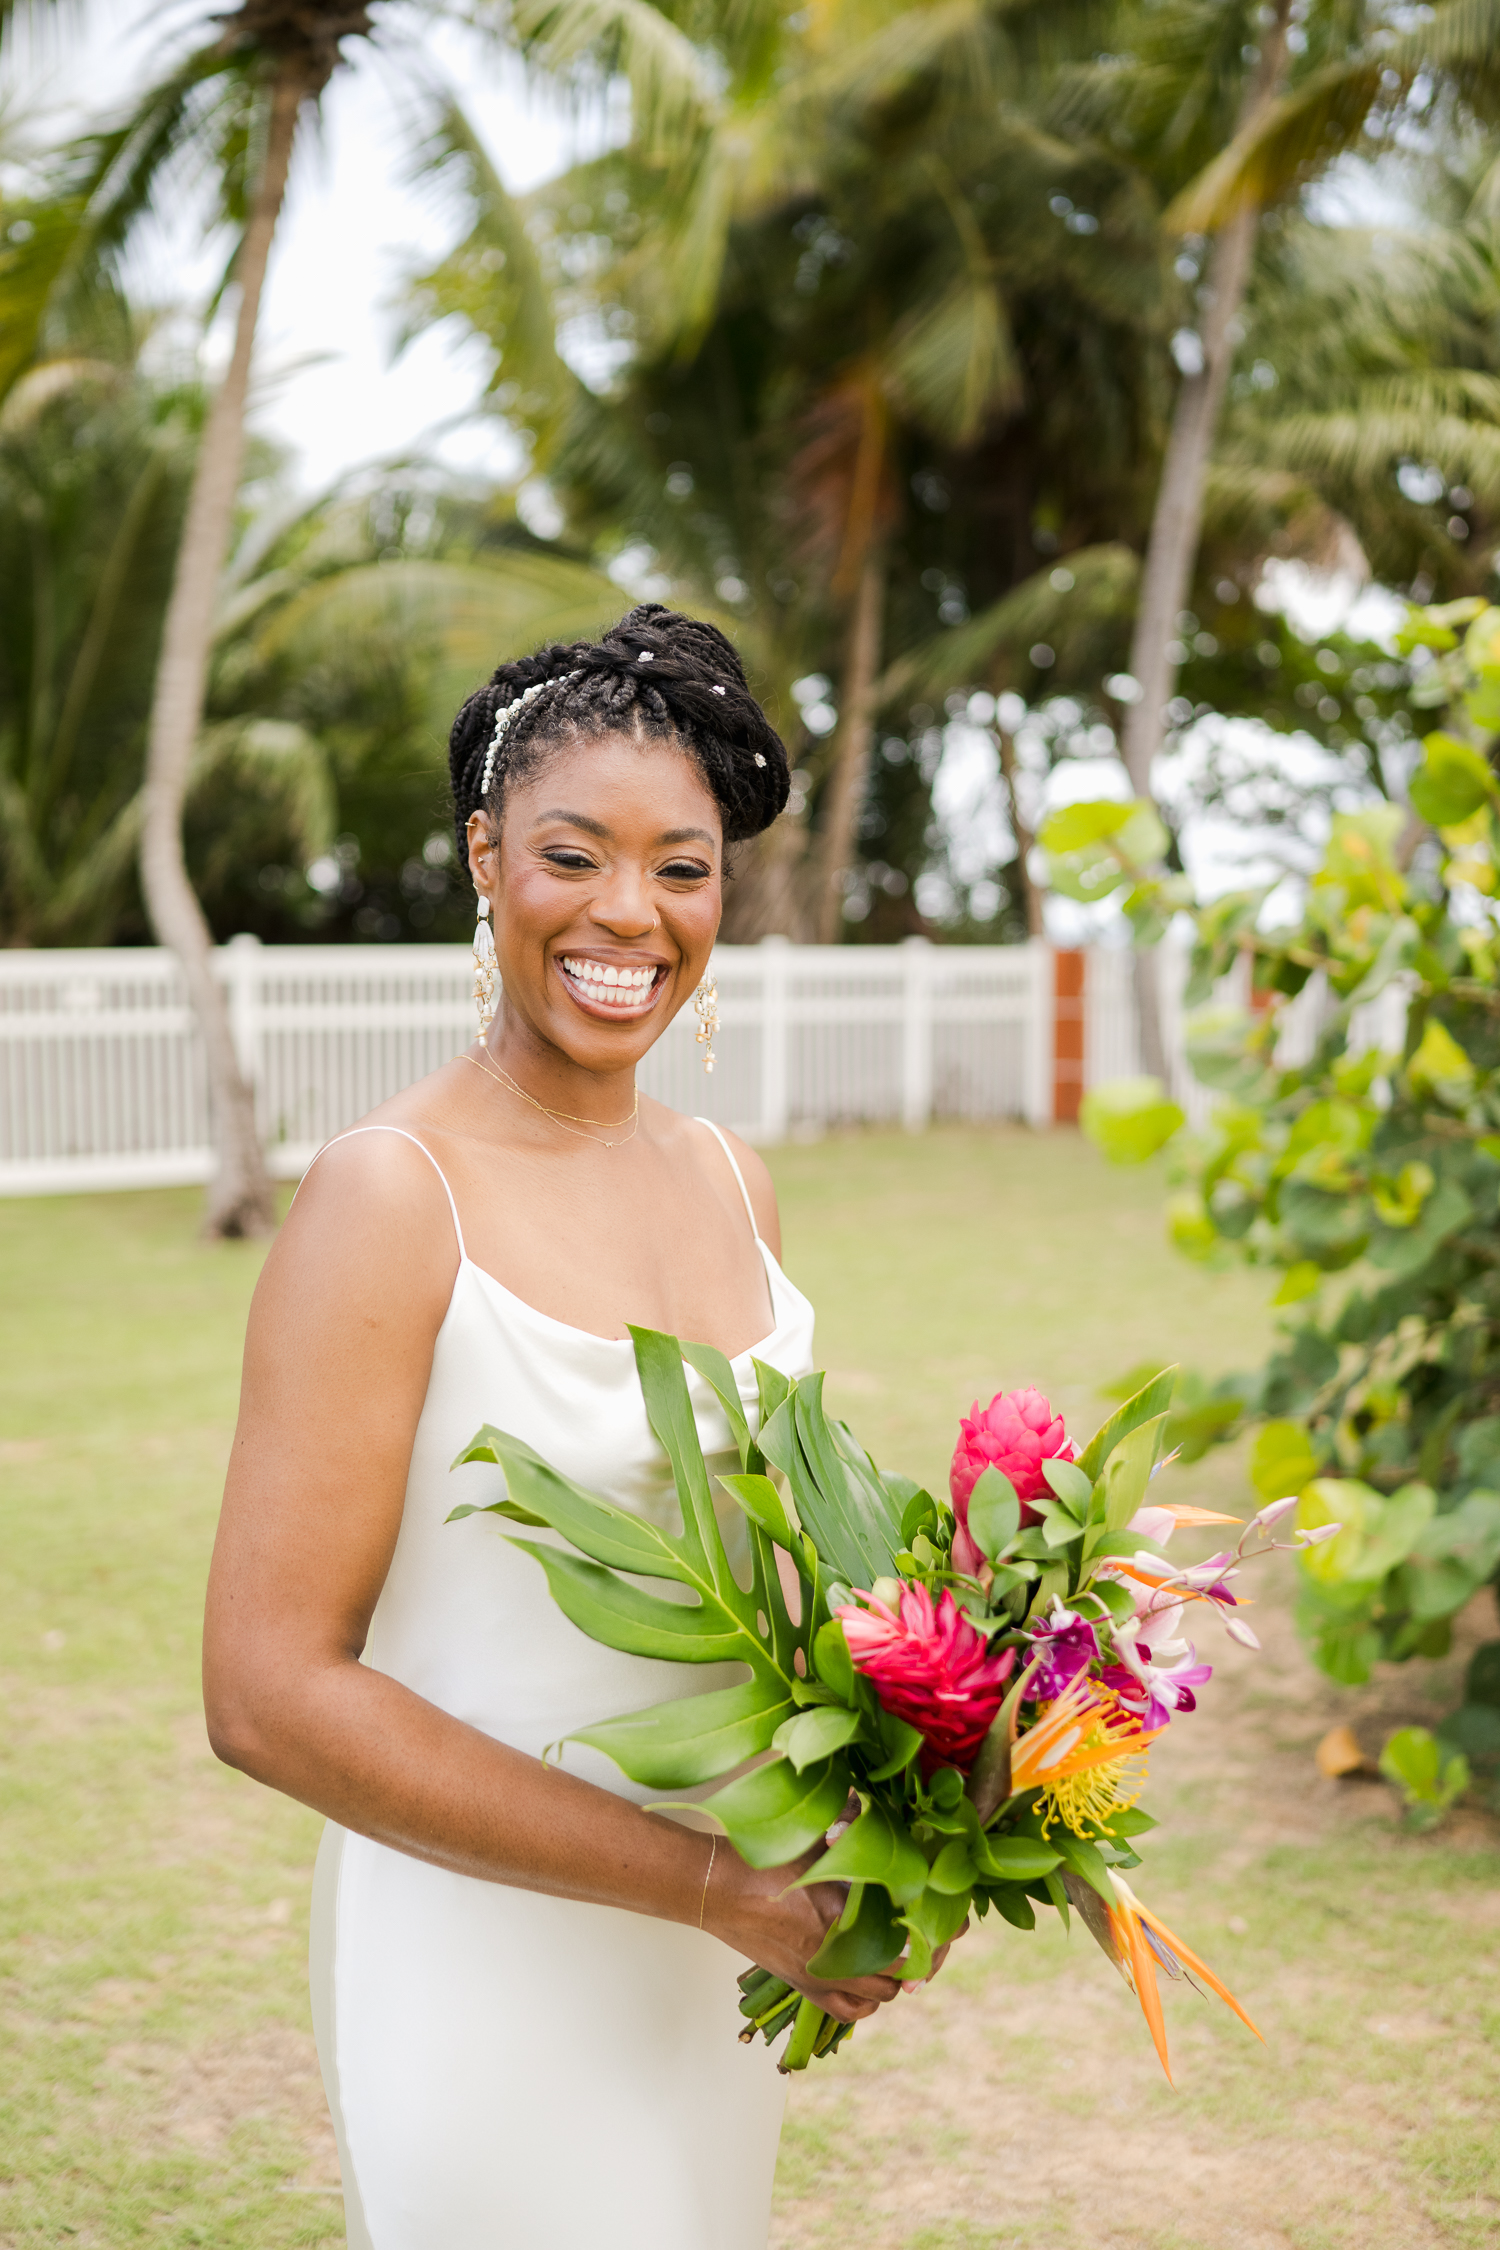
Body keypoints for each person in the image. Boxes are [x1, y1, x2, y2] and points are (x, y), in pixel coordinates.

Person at [202, 605, 954, 2250]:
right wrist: (703, 1881)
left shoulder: (731, 1182)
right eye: (574, 854)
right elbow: (264, 1694)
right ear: (485, 858)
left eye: (682, 869)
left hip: (710, 1969)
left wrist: (926, 1783)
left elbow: (767, 1585)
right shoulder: (392, 1198)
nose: (631, 912)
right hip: (485, 1957)